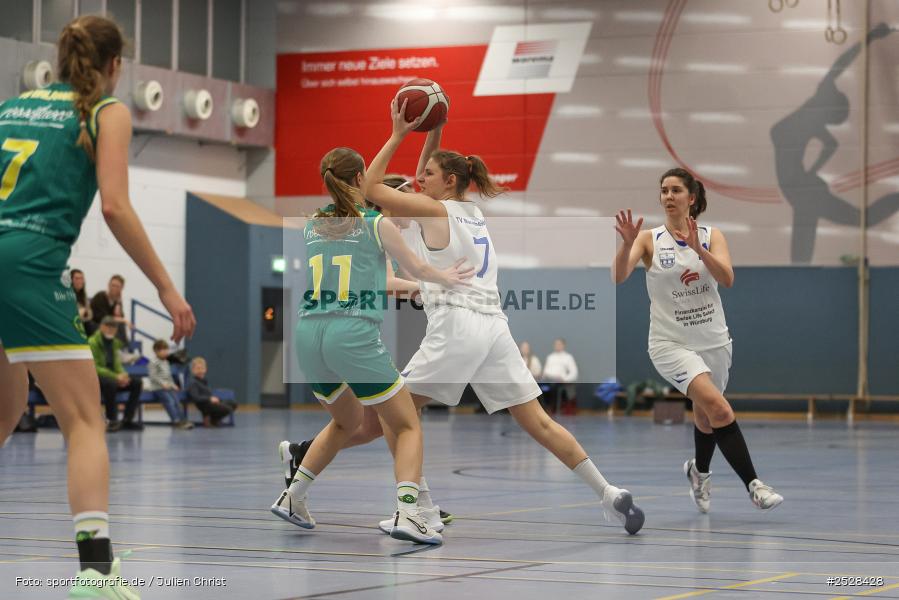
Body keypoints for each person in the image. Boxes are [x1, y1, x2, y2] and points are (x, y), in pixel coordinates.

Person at [351, 100, 645, 536]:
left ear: (448, 182)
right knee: (540, 422)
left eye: (427, 174)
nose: (418, 179)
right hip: (494, 328)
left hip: (457, 326)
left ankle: (417, 511)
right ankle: (609, 493)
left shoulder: (435, 211)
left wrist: (397, 133)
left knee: (396, 415)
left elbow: (372, 186)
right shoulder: (471, 212)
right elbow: (426, 175)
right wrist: (434, 129)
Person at [0, 15, 195, 599]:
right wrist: (165, 287)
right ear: (115, 66)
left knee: (5, 412)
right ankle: (96, 574)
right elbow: (114, 206)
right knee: (85, 420)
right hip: (27, 263)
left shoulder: (12, 107)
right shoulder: (106, 111)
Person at [270, 146, 474, 545]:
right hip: (352, 332)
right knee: (405, 422)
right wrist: (446, 278)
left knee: (346, 422)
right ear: (363, 178)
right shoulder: (376, 224)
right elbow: (416, 268)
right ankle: (409, 512)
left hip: (309, 335)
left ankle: (292, 496)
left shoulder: (313, 223)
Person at [612, 167, 783, 513]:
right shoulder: (648, 239)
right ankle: (755, 485)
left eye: (676, 190)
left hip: (714, 341)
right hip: (670, 344)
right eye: (664, 190)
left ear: (691, 198)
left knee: (706, 417)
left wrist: (698, 250)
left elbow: (728, 278)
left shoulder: (711, 235)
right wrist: (627, 244)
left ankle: (698, 472)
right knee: (719, 408)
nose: (668, 196)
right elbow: (617, 277)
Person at [90, 316, 143, 432]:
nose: (111, 331)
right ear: (101, 327)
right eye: (108, 328)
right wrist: (115, 376)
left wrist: (124, 375)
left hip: (113, 377)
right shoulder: (92, 342)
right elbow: (95, 367)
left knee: (137, 382)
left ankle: (127, 420)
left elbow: (117, 363)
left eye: (113, 329)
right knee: (111, 383)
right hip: (97, 379)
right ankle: (112, 420)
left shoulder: (115, 343)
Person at [146, 340, 193, 430]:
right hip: (158, 388)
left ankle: (183, 420)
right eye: (162, 350)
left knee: (176, 402)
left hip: (168, 388)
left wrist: (173, 385)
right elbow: (153, 376)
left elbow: (168, 377)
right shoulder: (153, 362)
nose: (165, 352)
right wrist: (163, 384)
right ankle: (175, 420)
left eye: (166, 349)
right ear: (156, 351)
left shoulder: (166, 362)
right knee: (169, 401)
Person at [186, 357, 236, 427]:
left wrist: (217, 399)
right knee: (227, 408)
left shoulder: (205, 381)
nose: (200, 371)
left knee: (232, 403)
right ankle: (210, 419)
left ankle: (214, 419)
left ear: (205, 369)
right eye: (198, 369)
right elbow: (196, 397)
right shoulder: (193, 383)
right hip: (204, 405)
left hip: (211, 403)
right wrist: (209, 399)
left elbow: (208, 394)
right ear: (193, 370)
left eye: (202, 368)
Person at [542, 338, 578, 411]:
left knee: (553, 387)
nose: (557, 346)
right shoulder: (550, 357)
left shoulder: (568, 357)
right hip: (549, 379)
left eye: (559, 344)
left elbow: (574, 373)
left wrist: (565, 379)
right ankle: (543, 409)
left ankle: (553, 409)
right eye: (556, 344)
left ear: (563, 345)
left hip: (560, 381)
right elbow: (545, 371)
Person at [71, 269, 96, 336]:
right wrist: (81, 313)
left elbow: (90, 314)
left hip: (83, 323)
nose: (80, 281)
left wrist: (82, 313)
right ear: (71, 280)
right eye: (77, 278)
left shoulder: (84, 295)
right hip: (72, 324)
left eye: (81, 278)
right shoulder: (66, 294)